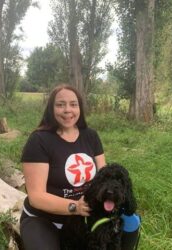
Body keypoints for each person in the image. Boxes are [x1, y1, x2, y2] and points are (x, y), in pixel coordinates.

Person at [20, 84, 140, 250]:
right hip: (45, 219)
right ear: (51, 108)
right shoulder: (39, 140)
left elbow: (104, 175)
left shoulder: (90, 136)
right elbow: (36, 197)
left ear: (80, 108)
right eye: (60, 104)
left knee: (132, 222)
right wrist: (74, 207)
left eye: (73, 104)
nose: (67, 110)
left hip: (87, 213)